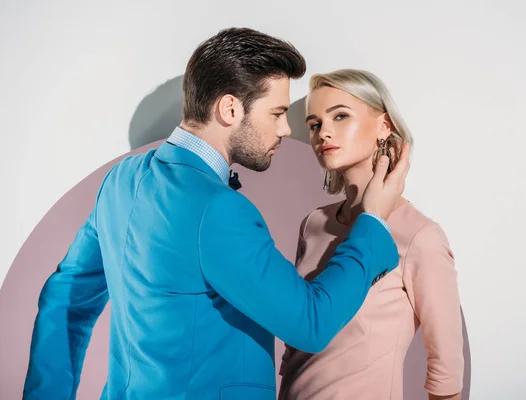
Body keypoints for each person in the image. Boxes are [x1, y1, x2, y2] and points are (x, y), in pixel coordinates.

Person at [23, 29, 411, 400]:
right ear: (230, 108)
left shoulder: (121, 180)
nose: (285, 129)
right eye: (276, 113)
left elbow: (66, 297)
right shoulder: (220, 210)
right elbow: (311, 323)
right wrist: (373, 221)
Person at [278, 69, 464, 400]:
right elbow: (299, 342)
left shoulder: (420, 235)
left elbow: (446, 372)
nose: (324, 133)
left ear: (384, 126)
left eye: (340, 116)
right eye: (314, 124)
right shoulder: (313, 224)